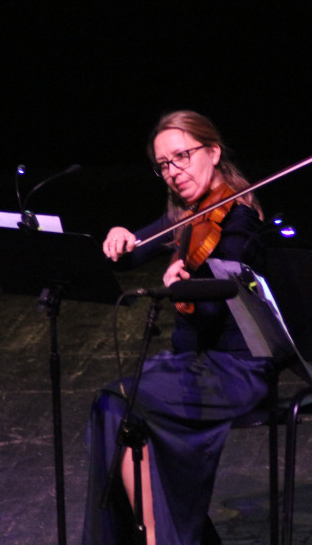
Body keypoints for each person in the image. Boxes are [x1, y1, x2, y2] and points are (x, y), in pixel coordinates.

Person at [83, 110, 272, 545]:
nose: (173, 171)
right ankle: (163, 535)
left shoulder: (240, 221)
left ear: (213, 151)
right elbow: (132, 252)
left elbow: (226, 295)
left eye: (182, 156)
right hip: (192, 364)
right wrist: (118, 237)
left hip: (236, 369)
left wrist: (190, 286)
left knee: (121, 404)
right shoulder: (187, 215)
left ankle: (159, 538)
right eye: (163, 164)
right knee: (110, 405)